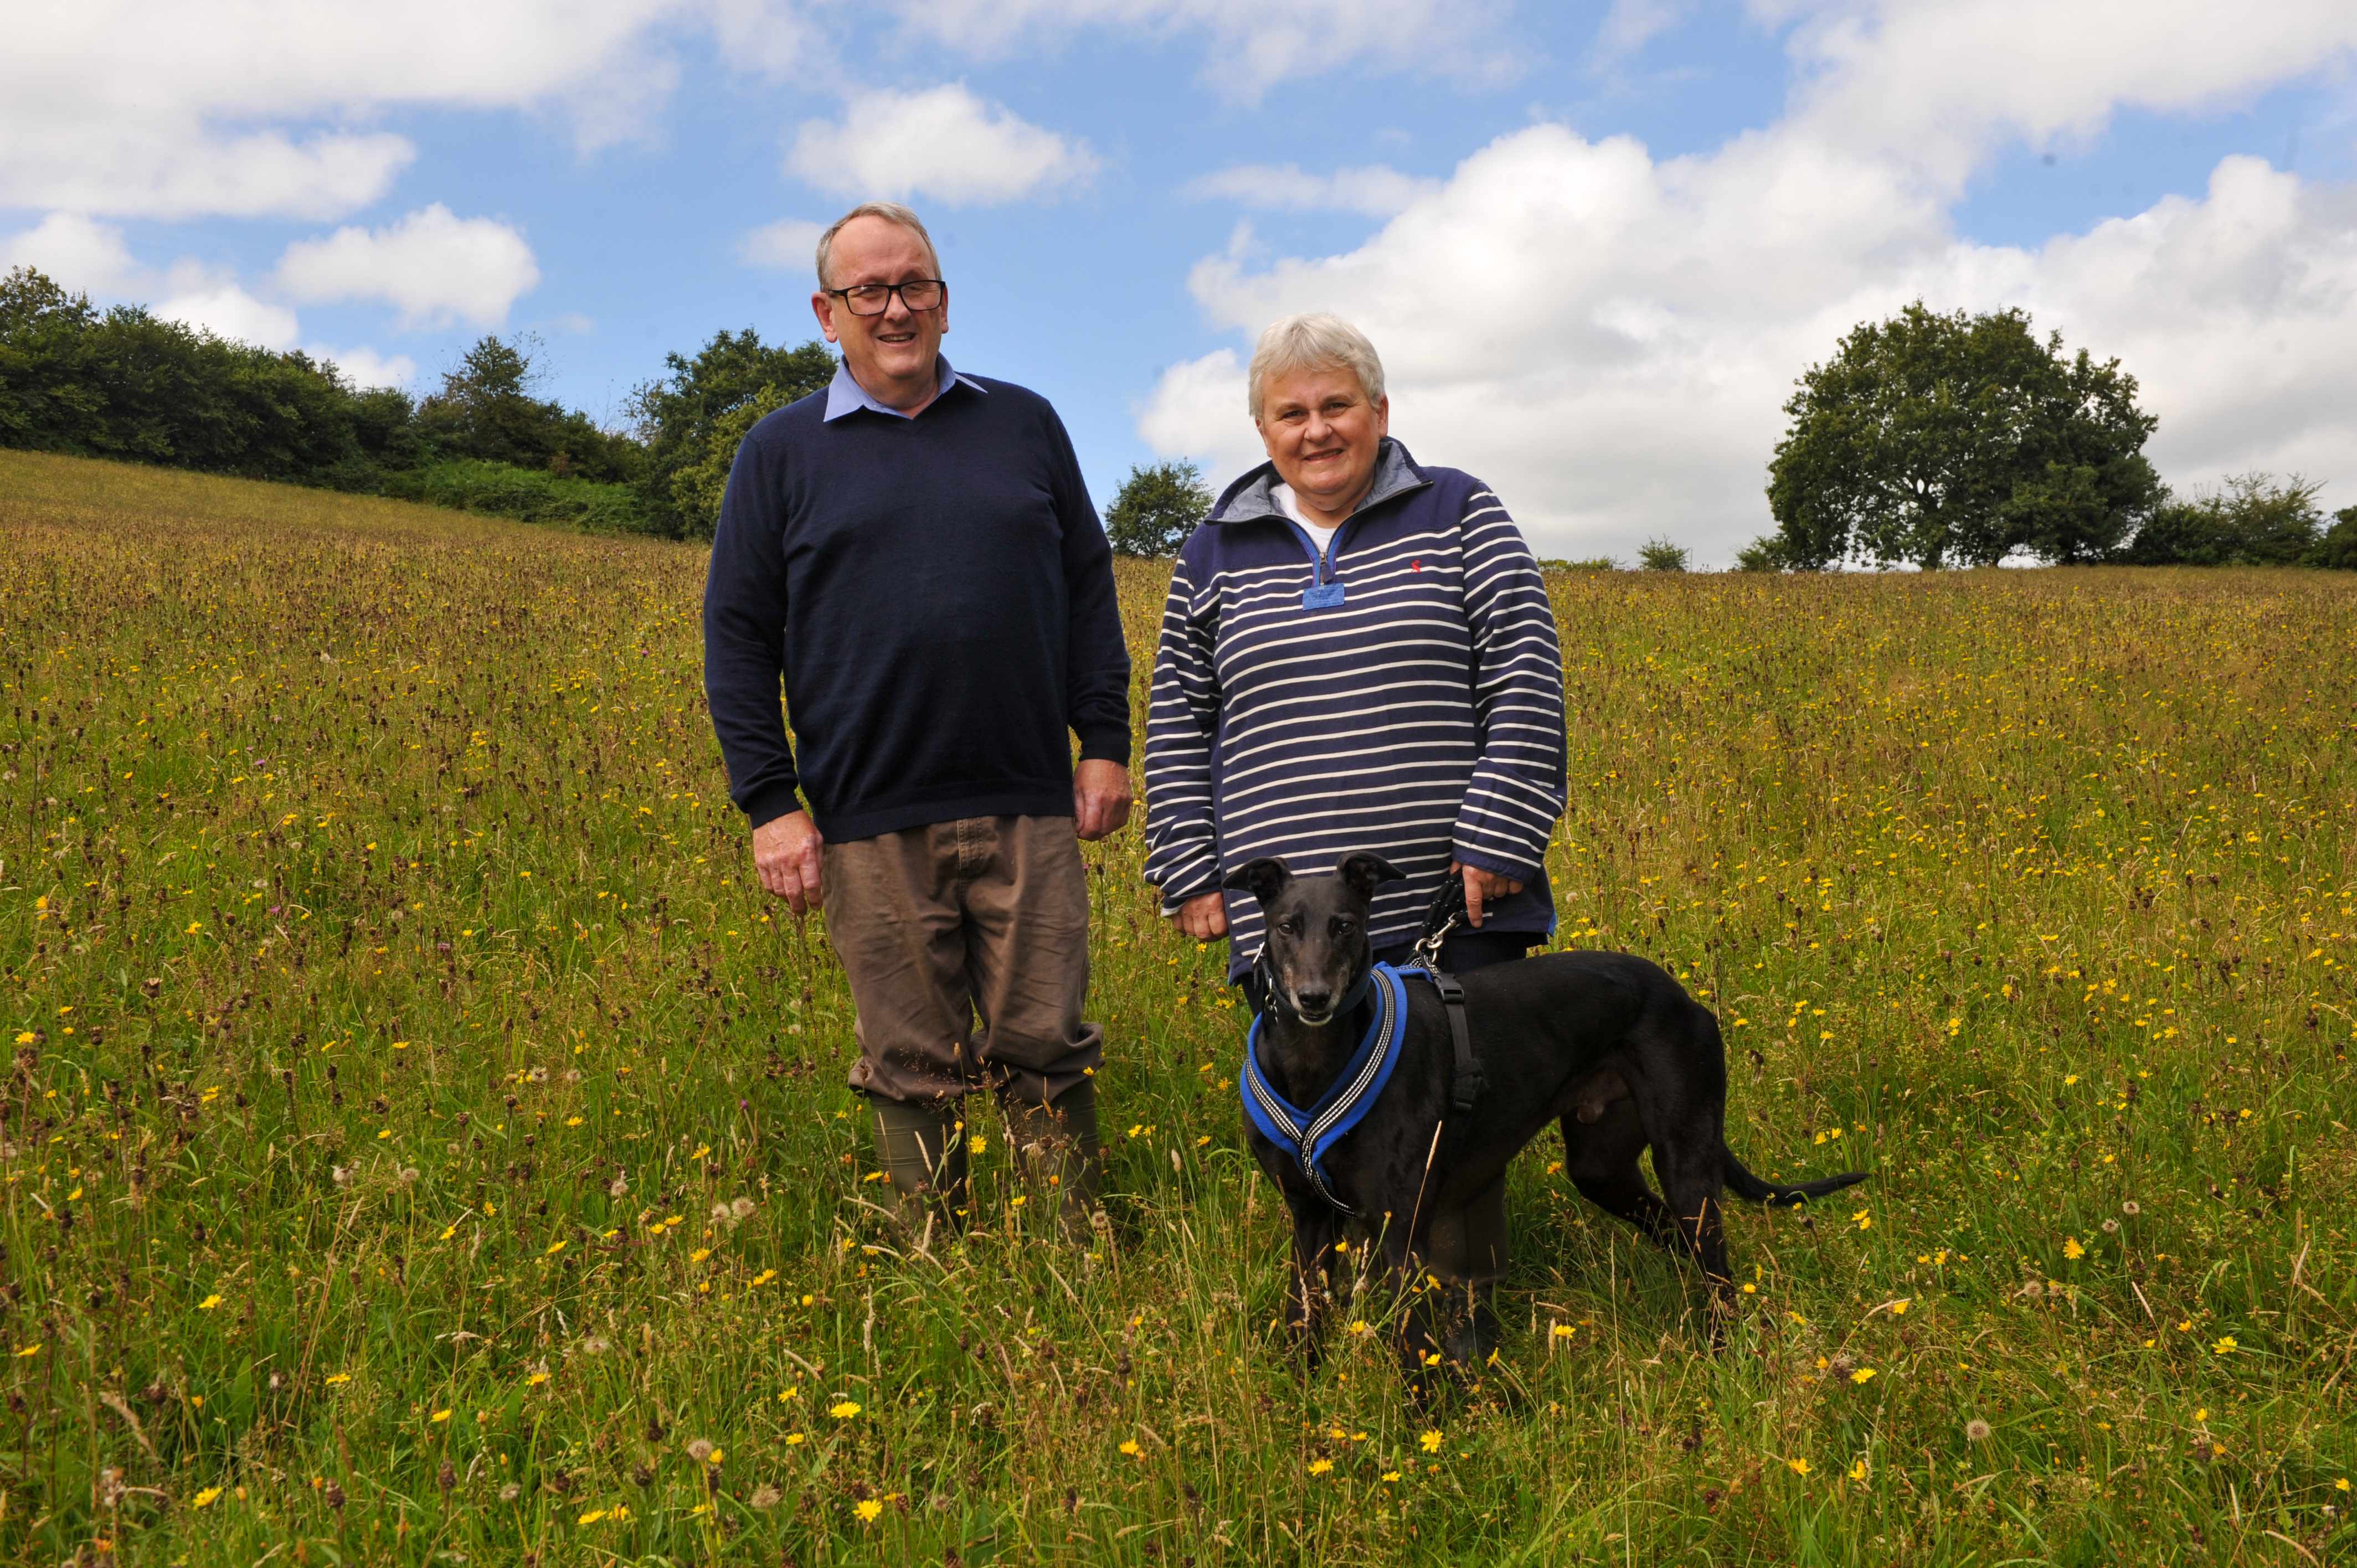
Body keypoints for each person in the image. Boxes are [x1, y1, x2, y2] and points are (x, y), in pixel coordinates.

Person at [703, 200, 1133, 1240]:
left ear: (945, 300)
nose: (897, 308)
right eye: (871, 291)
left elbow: (1087, 587)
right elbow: (737, 636)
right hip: (865, 814)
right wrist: (772, 803)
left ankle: (1068, 1256)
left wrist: (1106, 742)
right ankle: (932, 1262)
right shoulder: (779, 452)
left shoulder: (1024, 423)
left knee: (1046, 1038)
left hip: (1030, 800)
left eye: (916, 286)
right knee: (909, 1059)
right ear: (827, 312)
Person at [1143, 311, 1566, 1318]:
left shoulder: (1459, 512)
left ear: (1381, 411)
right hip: (1295, 929)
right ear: (1263, 430)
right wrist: (1189, 866)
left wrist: (1503, 829)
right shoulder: (1213, 553)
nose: (1317, 428)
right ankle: (1333, 1323)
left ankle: (1456, 1339)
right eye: (1291, 412)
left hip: (1453, 902)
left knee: (1447, 1130)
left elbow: (1526, 671)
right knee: (1323, 1126)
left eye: (1338, 405)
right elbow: (1176, 715)